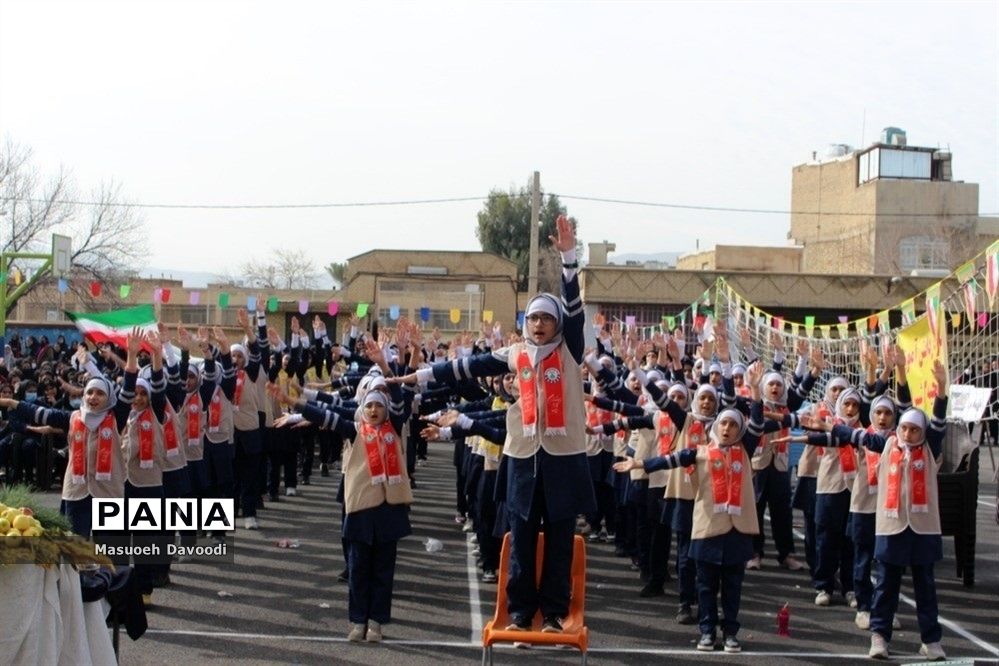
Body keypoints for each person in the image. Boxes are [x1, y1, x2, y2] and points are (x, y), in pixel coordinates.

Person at [394, 215, 595, 634]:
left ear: (557, 324)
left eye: (547, 319)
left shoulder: (571, 349)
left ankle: (553, 614)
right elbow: (467, 366)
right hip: (522, 456)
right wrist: (421, 375)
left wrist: (569, 259)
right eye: (533, 318)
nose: (539, 325)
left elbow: (575, 310)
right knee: (521, 536)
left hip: (563, 458)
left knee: (560, 540)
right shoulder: (515, 353)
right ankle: (520, 613)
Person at [614, 368, 764, 654]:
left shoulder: (745, 450)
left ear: (740, 430)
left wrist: (755, 391)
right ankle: (707, 631)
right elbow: (671, 459)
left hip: (738, 531)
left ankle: (730, 632)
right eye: (723, 424)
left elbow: (757, 422)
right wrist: (640, 464)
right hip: (708, 527)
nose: (727, 429)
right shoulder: (702, 452)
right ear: (716, 428)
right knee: (706, 586)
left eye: (733, 425)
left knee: (732, 587)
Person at [274, 339, 412, 643]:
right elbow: (327, 416)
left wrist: (387, 366)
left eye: (379, 405)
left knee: (383, 572)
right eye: (369, 405)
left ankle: (376, 623)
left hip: (388, 511)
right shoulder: (355, 429)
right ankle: (358, 621)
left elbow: (399, 400)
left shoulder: (395, 427)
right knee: (358, 569)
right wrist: (294, 402)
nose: (374, 410)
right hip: (360, 510)